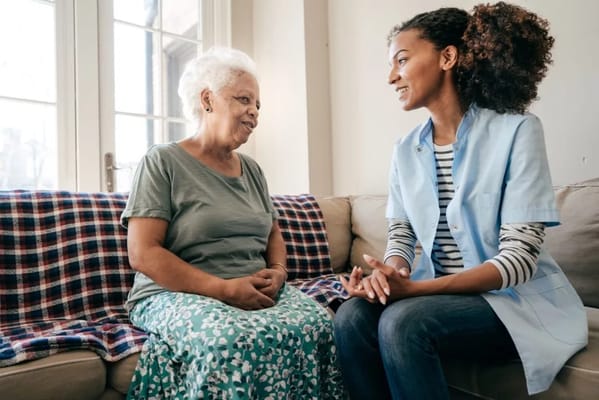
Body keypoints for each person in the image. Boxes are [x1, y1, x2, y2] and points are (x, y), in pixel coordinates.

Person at [334, 2, 588, 399]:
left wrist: (416, 292)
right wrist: (389, 273)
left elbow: (517, 262)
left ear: (448, 57)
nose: (391, 77)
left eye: (401, 60)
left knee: (403, 322)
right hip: (442, 299)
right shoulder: (404, 150)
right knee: (351, 317)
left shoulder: (518, 131)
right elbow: (402, 235)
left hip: (511, 303)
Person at [122, 46, 343, 399]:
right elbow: (143, 253)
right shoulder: (162, 161)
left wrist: (279, 270)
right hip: (174, 293)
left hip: (251, 288)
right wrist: (224, 289)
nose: (254, 113)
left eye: (258, 105)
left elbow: (272, 232)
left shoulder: (252, 169)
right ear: (207, 99)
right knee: (229, 342)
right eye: (244, 99)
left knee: (320, 325)